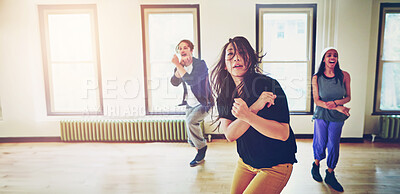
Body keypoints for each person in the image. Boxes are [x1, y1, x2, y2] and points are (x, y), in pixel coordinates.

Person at [210, 36, 297, 194]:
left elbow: (283, 133)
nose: (236, 57)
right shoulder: (225, 94)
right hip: (246, 162)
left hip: (275, 164)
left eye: (242, 52)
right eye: (230, 54)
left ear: (250, 59)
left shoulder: (268, 86)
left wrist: (247, 116)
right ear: (224, 65)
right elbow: (230, 134)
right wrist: (254, 108)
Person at [311, 47, 351, 192]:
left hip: (337, 116)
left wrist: (335, 105)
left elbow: (348, 97)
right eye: (329, 55)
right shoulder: (317, 77)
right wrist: (338, 107)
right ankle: (315, 165)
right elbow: (317, 101)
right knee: (320, 142)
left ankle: (330, 173)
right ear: (324, 59)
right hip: (321, 114)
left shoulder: (344, 75)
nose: (332, 57)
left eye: (335, 55)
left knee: (333, 144)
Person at [170, 39, 214, 167]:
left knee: (190, 122)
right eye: (180, 48)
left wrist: (178, 65)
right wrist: (179, 67)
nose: (182, 50)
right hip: (190, 104)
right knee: (190, 136)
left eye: (185, 47)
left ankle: (202, 149)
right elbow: (174, 82)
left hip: (204, 102)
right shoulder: (181, 66)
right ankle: (199, 154)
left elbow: (191, 81)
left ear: (191, 50)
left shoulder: (200, 64)